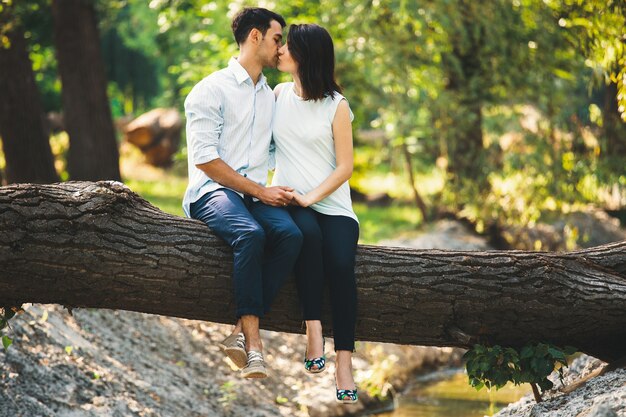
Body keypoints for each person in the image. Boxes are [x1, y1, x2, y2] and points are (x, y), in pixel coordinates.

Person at [182, 8, 303, 379]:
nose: (280, 47)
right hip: (212, 193)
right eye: (276, 38)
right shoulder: (210, 89)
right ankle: (256, 346)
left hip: (253, 195)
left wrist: (276, 190)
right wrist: (259, 191)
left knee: (290, 236)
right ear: (255, 36)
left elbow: (271, 152)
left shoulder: (271, 97)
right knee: (250, 235)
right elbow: (205, 160)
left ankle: (239, 329)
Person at [272, 24, 360, 403]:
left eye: (287, 47)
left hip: (332, 205)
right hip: (292, 201)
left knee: (340, 264)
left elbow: (345, 167)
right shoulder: (276, 95)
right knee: (307, 239)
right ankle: (312, 331)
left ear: (304, 56)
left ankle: (344, 360)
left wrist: (312, 198)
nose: (279, 52)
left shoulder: (336, 106)